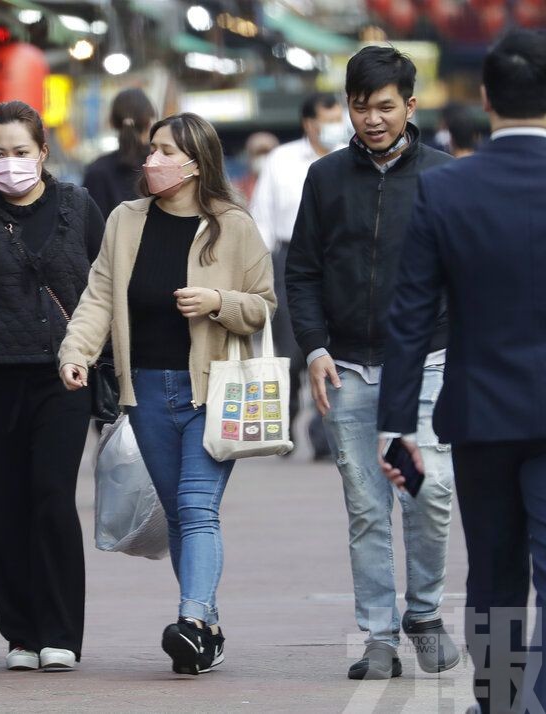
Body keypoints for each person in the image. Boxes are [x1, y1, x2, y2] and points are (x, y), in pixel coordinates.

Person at [59, 112, 275, 676]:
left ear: (195, 164)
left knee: (197, 508)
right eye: (151, 149)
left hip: (213, 392)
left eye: (164, 151)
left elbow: (263, 306)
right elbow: (100, 296)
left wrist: (218, 303)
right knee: (180, 518)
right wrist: (76, 353)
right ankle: (209, 628)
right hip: (146, 390)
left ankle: (193, 622)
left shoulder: (234, 225)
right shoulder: (126, 221)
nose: (151, 159)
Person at [377, 29, 546, 714]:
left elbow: (409, 317)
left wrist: (397, 424)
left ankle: (503, 701)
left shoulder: (446, 191)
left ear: (485, 97)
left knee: (495, 573)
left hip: (480, 413)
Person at [284, 46, 459, 681]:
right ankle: (380, 636)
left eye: (384, 107)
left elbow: (461, 278)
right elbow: (300, 272)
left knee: (428, 491)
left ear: (410, 106)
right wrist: (316, 347)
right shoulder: (325, 178)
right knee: (366, 507)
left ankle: (425, 612)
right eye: (361, 108)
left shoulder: (442, 179)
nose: (372, 119)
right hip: (348, 372)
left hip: (427, 366)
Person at [0, 100, 105, 672]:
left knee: (53, 498)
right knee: (6, 505)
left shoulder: (78, 208)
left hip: (64, 376)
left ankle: (60, 631)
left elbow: (105, 291)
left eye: (21, 152)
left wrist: (111, 372)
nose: (10, 164)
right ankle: (21, 634)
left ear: (43, 153)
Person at [250, 93, 346, 461]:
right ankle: (286, 422)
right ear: (309, 123)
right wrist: (262, 273)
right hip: (290, 259)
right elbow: (263, 217)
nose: (336, 125)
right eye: (329, 118)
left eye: (339, 117)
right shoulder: (282, 160)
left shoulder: (350, 156)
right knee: (292, 351)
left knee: (335, 347)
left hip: (338, 259)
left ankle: (324, 436)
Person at [83, 87, 156, 219]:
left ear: (112, 122)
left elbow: (89, 228)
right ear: (150, 122)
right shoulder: (161, 167)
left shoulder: (97, 170)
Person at [232, 131, 278, 203]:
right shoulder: (236, 189)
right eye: (259, 153)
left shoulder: (287, 186)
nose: (263, 157)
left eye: (267, 152)